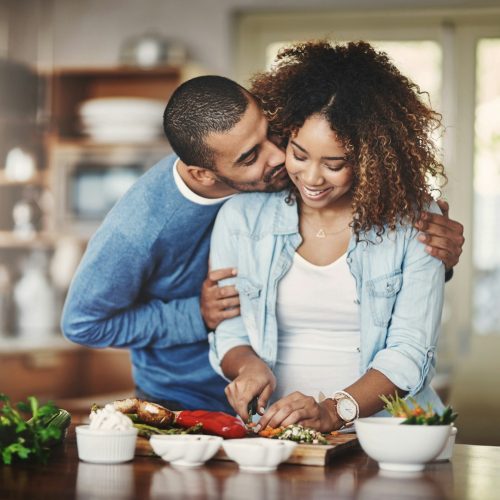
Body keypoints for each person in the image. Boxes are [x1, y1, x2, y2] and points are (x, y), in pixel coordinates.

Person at [62, 73, 463, 413]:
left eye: (272, 131)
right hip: (186, 396)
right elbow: (83, 324)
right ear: (204, 175)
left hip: (279, 407)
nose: (278, 157)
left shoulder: (285, 169)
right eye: (251, 155)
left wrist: (432, 253)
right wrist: (196, 315)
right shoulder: (139, 227)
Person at [208, 41, 453, 430]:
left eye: (335, 164)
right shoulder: (241, 218)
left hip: (389, 436)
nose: (311, 178)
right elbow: (230, 325)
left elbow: (411, 351)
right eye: (299, 154)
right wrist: (247, 366)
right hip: (278, 435)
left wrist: (334, 411)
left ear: (371, 158)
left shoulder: (416, 223)